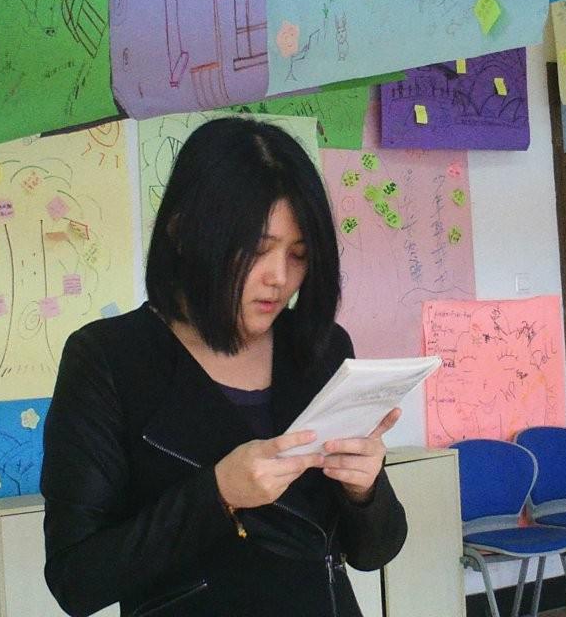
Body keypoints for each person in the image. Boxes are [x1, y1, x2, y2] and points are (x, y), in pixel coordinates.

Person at [41, 117, 408, 617]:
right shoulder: (107, 359)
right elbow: (77, 580)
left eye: (299, 254)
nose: (279, 278)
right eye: (256, 250)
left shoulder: (320, 348)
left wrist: (364, 488)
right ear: (183, 230)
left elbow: (373, 553)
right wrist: (217, 495)